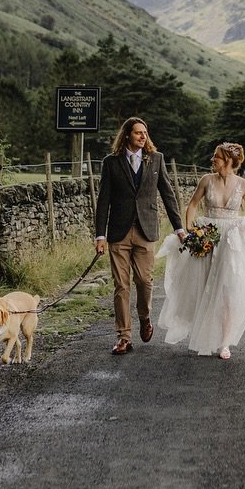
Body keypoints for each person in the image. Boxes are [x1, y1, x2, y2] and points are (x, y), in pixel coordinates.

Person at [157, 141, 245, 360]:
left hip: (231, 239)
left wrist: (243, 225)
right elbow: (193, 205)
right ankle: (202, 332)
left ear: (229, 161)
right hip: (207, 233)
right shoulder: (206, 180)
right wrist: (192, 229)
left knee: (227, 291)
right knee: (201, 285)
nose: (212, 160)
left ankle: (224, 342)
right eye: (214, 156)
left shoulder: (244, 185)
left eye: (217, 157)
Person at [94, 117, 186, 356]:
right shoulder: (111, 163)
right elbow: (103, 200)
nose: (143, 136)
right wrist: (100, 236)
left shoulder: (156, 159)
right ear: (127, 135)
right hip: (118, 233)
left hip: (146, 231)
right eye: (138, 133)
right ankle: (124, 336)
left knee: (144, 282)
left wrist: (179, 228)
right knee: (121, 286)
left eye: (145, 133)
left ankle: (145, 318)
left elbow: (168, 195)